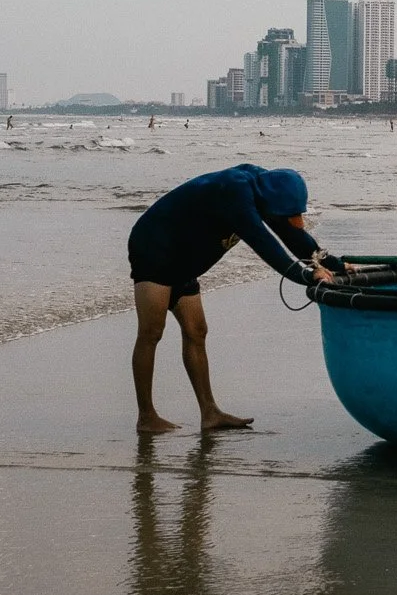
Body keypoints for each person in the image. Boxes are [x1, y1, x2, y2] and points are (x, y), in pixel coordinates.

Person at [127, 165, 343, 434]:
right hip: (155, 248)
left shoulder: (269, 189)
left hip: (184, 261)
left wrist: (338, 265)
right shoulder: (235, 192)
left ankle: (210, 413)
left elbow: (292, 235)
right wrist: (308, 277)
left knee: (197, 331)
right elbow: (266, 245)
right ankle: (146, 416)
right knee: (151, 332)